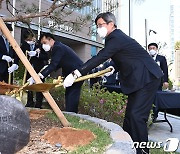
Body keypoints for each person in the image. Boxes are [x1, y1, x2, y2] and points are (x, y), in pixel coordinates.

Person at [63, 12, 163, 154]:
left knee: (136, 116)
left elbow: (101, 56)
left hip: (147, 78)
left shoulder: (116, 37)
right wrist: (113, 68)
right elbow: (121, 56)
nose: (98, 29)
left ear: (111, 24)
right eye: (97, 26)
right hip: (139, 79)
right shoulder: (115, 38)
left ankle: (143, 151)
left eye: (101, 25)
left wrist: (76, 73)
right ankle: (128, 147)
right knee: (129, 117)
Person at [28, 33, 83, 113]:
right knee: (69, 93)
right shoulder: (55, 48)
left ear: (51, 40)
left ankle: (72, 114)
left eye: (44, 42)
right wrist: (45, 69)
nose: (43, 45)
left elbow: (53, 65)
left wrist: (39, 76)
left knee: (72, 94)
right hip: (70, 73)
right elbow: (56, 64)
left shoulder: (58, 47)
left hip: (77, 72)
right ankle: (70, 113)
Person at [21, 31, 49, 108]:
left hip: (39, 69)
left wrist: (37, 54)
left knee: (39, 86)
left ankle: (38, 103)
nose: (30, 41)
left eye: (31, 39)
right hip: (29, 69)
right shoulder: (24, 45)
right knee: (28, 85)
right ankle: (29, 102)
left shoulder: (40, 45)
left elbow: (46, 56)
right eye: (27, 40)